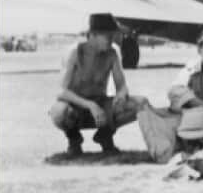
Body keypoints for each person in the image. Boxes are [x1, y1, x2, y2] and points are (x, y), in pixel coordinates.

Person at [48, 13, 146, 156]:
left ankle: (105, 135)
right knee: (59, 112)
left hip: (101, 107)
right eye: (107, 36)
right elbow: (61, 91)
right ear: (92, 35)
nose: (111, 40)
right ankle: (73, 140)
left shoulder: (112, 53)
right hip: (75, 108)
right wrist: (90, 105)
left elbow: (122, 85)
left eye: (112, 36)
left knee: (140, 104)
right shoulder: (75, 53)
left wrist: (121, 94)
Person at [167, 28, 203, 112]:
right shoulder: (192, 69)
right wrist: (201, 105)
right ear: (199, 50)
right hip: (199, 117)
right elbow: (173, 91)